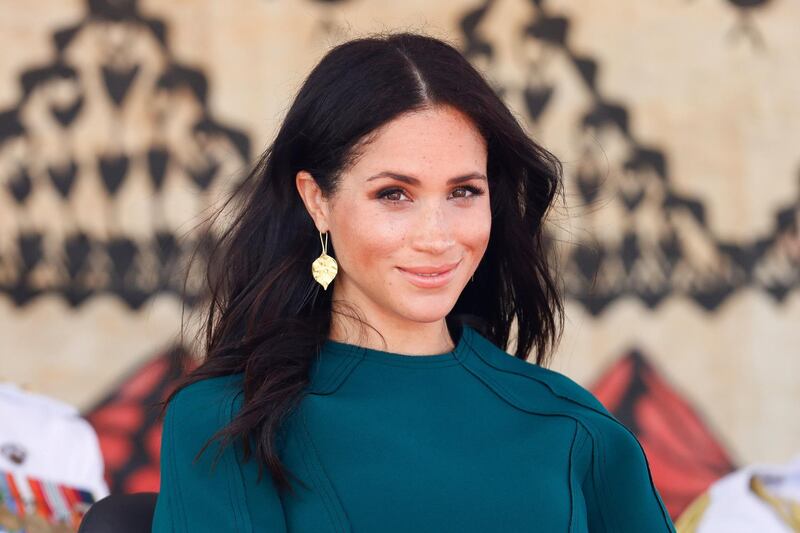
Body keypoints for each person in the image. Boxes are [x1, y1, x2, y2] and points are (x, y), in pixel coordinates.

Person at [151, 32, 675, 532]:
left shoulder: (573, 426)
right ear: (318, 201)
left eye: (464, 192)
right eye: (394, 195)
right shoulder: (227, 422)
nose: (437, 236)